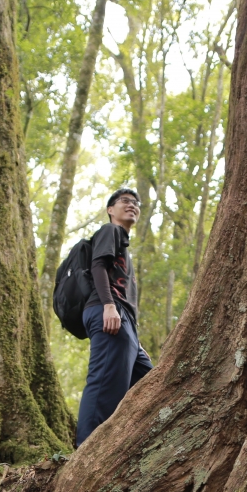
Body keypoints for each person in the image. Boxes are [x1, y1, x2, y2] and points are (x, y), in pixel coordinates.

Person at [76, 188, 153, 446]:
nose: (132, 205)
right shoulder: (111, 231)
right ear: (111, 210)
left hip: (125, 322)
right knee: (102, 382)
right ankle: (85, 449)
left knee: (149, 382)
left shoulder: (125, 245)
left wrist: (137, 340)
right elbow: (98, 265)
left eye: (136, 203)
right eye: (125, 202)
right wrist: (108, 305)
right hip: (107, 311)